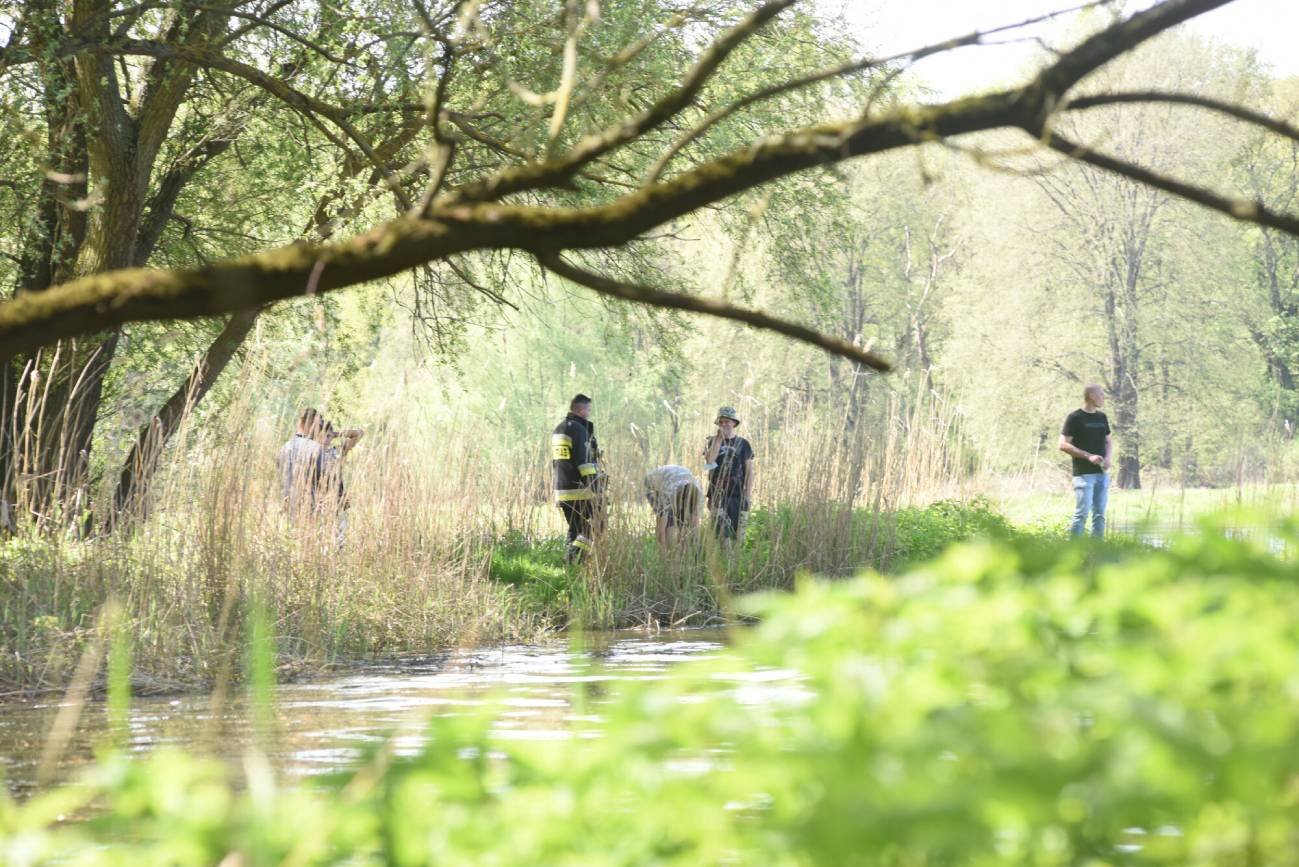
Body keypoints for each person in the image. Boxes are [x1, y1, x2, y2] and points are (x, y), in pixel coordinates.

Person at [1058, 383, 1112, 537]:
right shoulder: (1075, 418)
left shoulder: (1102, 417)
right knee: (1082, 513)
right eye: (1101, 394)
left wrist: (1108, 458)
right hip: (1083, 474)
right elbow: (1062, 444)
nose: (1103, 398)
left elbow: (1109, 441)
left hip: (1102, 473)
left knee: (1100, 514)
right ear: (1091, 396)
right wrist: (1089, 456)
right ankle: (1075, 550)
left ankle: (1097, 550)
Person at [552, 393, 600, 564]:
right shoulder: (579, 430)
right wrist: (596, 485)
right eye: (588, 409)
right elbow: (584, 461)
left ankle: (570, 563)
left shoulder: (559, 428)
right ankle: (574, 558)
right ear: (581, 409)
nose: (589, 413)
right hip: (580, 491)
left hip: (562, 490)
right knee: (595, 527)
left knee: (576, 529)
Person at [702, 406, 754, 547]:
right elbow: (709, 461)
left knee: (739, 535)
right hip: (717, 493)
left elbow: (749, 472)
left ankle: (734, 562)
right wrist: (718, 440)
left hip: (737, 494)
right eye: (721, 422)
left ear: (734, 423)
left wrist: (748, 496)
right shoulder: (711, 441)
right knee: (722, 533)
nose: (724, 424)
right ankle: (727, 559)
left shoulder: (743, 444)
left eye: (727, 421)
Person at [319, 420, 364, 543]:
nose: (325, 439)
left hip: (339, 499)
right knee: (323, 538)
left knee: (340, 538)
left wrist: (336, 434)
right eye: (322, 436)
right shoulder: (312, 453)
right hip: (320, 501)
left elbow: (359, 434)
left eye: (328, 436)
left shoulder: (337, 451)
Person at [277, 407, 326, 519]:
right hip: (307, 510)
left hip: (284, 507)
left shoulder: (284, 447)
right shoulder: (317, 448)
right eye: (319, 426)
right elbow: (324, 480)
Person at [643, 464, 703, 549]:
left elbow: (695, 525)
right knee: (667, 525)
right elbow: (661, 530)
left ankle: (679, 553)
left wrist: (697, 547)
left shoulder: (698, 495)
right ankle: (667, 554)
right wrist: (664, 558)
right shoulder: (666, 494)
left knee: (680, 524)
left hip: (676, 480)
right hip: (654, 484)